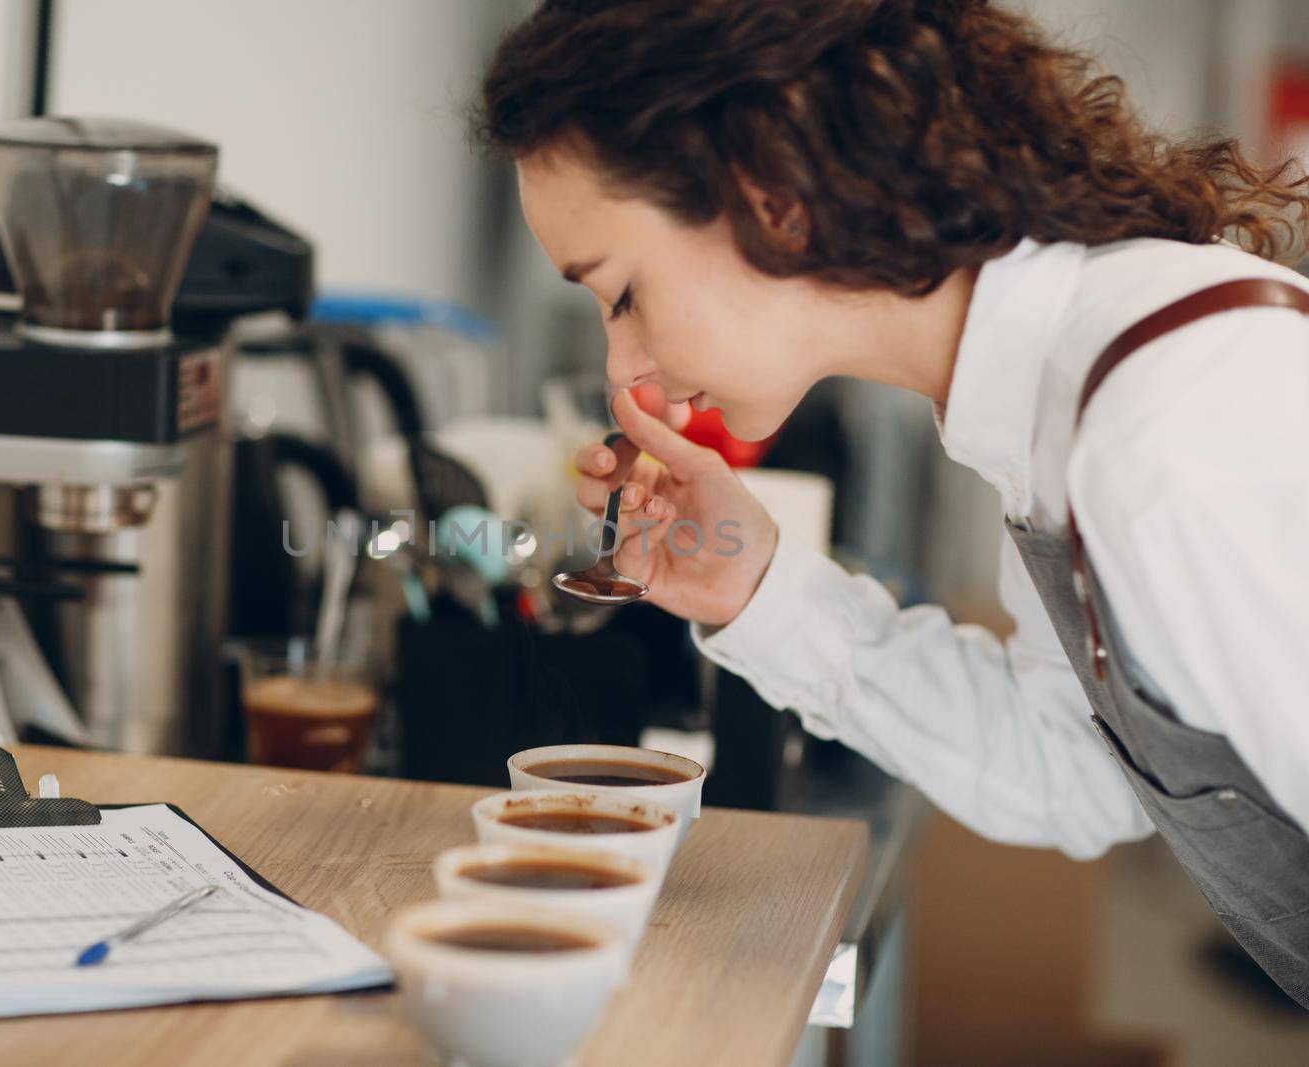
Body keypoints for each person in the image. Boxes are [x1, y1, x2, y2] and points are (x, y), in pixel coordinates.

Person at [477, 0, 1309, 1005]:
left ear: (771, 196)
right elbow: (1079, 776)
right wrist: (758, 588)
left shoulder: (1166, 432)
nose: (624, 366)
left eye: (618, 293)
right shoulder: (1052, 407)